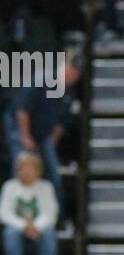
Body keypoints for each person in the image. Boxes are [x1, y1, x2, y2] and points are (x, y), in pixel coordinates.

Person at [4, 60, 81, 211]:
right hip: (20, 129)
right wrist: (25, 137)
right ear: (64, 68)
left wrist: (51, 141)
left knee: (53, 174)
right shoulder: (42, 80)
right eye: (70, 72)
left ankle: (56, 217)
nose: (72, 77)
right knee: (22, 170)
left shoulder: (68, 92)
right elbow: (22, 110)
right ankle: (15, 219)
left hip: (43, 134)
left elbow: (61, 122)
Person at [0, 151, 63, 255]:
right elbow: (4, 213)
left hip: (38, 229)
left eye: (30, 167)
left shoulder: (45, 187)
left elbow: (50, 214)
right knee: (10, 234)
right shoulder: (9, 187)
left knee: (48, 234)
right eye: (22, 167)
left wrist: (36, 226)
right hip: (17, 228)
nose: (26, 171)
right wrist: (23, 226)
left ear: (37, 170)